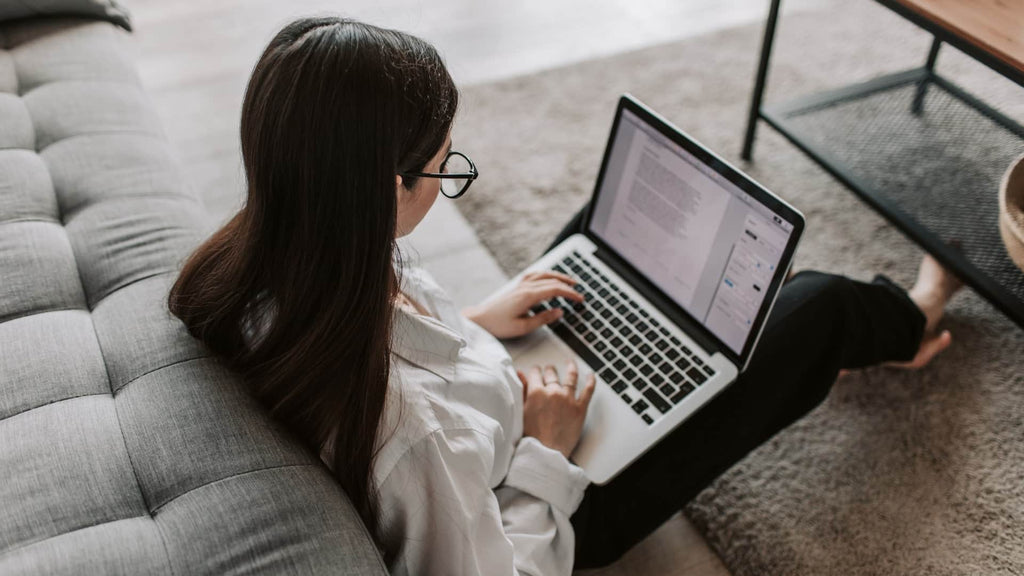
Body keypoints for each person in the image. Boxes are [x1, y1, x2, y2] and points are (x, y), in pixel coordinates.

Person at [168, 17, 962, 575]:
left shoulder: (275, 256)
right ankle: (912, 317)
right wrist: (547, 447)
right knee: (820, 306)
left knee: (604, 240)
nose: (450, 179)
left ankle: (729, 306)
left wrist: (477, 324)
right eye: (445, 169)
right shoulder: (414, 438)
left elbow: (395, 352)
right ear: (386, 187)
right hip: (558, 500)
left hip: (493, 399)